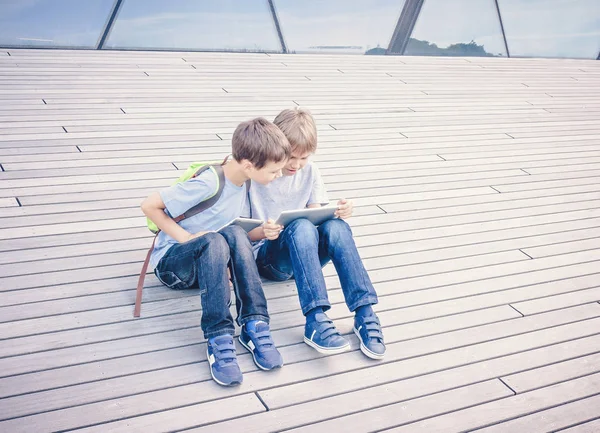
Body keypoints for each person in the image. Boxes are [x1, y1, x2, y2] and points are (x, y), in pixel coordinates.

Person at [141, 118, 291, 386]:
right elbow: (149, 205)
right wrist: (187, 238)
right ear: (248, 165)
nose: (278, 175)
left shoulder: (244, 180)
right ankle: (218, 336)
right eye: (273, 171)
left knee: (233, 232)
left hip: (209, 260)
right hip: (173, 265)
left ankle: (254, 323)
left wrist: (264, 232)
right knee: (214, 240)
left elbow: (233, 233)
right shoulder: (210, 182)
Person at [247, 108, 385, 360]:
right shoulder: (258, 173)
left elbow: (316, 216)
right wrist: (265, 231)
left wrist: (339, 211)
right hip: (269, 258)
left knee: (336, 227)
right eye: (291, 157)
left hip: (305, 253)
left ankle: (365, 313)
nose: (296, 165)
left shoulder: (311, 172)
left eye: (304, 158)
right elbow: (241, 232)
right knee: (299, 226)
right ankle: (315, 319)